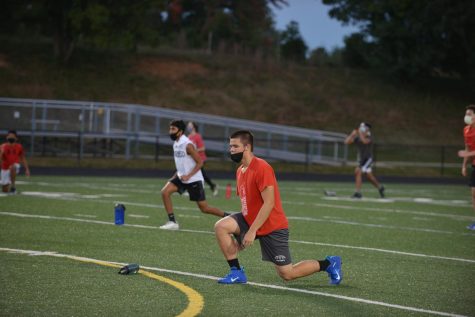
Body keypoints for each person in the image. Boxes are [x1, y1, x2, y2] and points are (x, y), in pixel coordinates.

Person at [214, 130, 342, 285]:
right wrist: (240, 233)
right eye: (230, 146)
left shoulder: (262, 167)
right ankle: (236, 272)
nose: (231, 150)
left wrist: (252, 231)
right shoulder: (240, 171)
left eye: (235, 146)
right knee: (221, 226)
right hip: (251, 219)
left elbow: (269, 203)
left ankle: (329, 264)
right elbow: (247, 203)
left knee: (287, 274)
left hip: (272, 226)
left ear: (247, 147)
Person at [159, 120, 228, 230]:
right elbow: (181, 164)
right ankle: (172, 222)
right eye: (170, 129)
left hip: (194, 180)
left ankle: (229, 217)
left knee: (204, 208)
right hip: (181, 178)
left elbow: (200, 162)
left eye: (173, 129)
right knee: (165, 192)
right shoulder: (175, 144)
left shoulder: (187, 145)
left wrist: (188, 176)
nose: (170, 131)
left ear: (180, 131)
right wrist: (175, 176)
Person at [344, 122, 385, 199]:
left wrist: (359, 133)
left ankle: (358, 192)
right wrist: (352, 135)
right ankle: (380, 187)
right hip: (361, 159)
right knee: (369, 177)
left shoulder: (368, 136)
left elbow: (364, 141)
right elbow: (346, 142)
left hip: (368, 159)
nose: (361, 129)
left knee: (358, 171)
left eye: (363, 127)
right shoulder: (358, 136)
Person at [186, 121, 219, 196]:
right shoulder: (189, 137)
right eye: (188, 126)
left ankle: (192, 190)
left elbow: (203, 148)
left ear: (194, 127)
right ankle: (213, 186)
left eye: (190, 125)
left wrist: (194, 151)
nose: (188, 127)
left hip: (200, 159)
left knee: (196, 174)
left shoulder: (197, 136)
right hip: (193, 159)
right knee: (201, 175)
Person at [457, 105, 475, 230]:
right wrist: (464, 165)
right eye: (466, 114)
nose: (467, 116)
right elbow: (467, 148)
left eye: (469, 114)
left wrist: (467, 154)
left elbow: (468, 152)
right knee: (473, 193)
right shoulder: (466, 130)